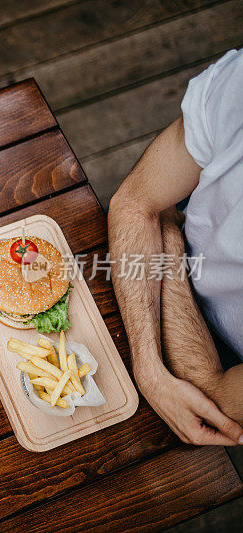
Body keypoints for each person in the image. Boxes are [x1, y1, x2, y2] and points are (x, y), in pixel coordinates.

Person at [108, 49, 243, 446]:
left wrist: (168, 237)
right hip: (169, 275)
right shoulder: (238, 84)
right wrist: (148, 370)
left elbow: (212, 395)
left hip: (218, 359)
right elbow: (135, 203)